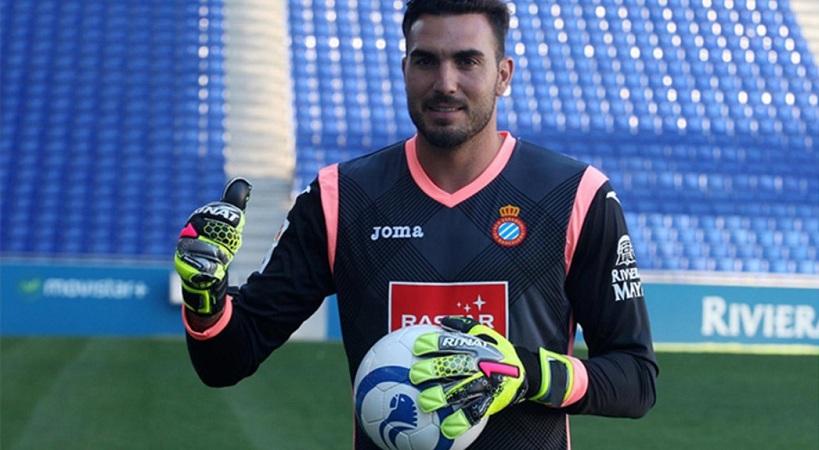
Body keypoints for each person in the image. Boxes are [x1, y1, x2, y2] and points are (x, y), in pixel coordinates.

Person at [174, 0, 658, 448]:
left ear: (503, 75)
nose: (445, 82)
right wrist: (203, 299)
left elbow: (635, 378)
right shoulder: (341, 198)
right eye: (426, 61)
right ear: (405, 69)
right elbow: (227, 360)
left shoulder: (576, 195)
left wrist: (529, 375)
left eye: (467, 61)